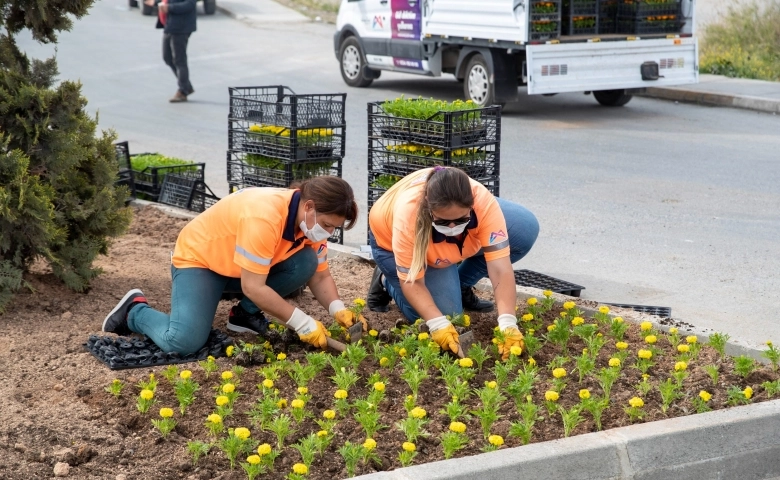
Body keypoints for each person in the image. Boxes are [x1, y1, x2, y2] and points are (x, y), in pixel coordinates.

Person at [102, 177, 366, 355]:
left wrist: (338, 310)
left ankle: (244, 316)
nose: (329, 232)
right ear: (309, 207)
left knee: (305, 262)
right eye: (328, 225)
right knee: (183, 342)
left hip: (241, 269)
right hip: (202, 263)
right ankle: (134, 311)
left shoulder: (308, 225)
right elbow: (253, 286)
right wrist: (302, 323)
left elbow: (319, 277)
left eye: (334, 227)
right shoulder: (265, 216)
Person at [367, 166, 539, 359]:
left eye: (461, 220)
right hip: (390, 242)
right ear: (428, 207)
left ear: (471, 205)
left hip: (444, 241)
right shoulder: (408, 216)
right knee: (447, 316)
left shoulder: (482, 202)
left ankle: (460, 285)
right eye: (443, 222)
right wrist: (438, 324)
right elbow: (413, 282)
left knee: (523, 230)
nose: (452, 227)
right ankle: (386, 280)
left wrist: (508, 323)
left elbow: (500, 267)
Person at [145, 0, 196, 102]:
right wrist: (155, 2)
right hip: (170, 25)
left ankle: (182, 91)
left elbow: (190, 4)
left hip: (181, 27)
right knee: (167, 57)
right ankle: (186, 86)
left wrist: (169, 7)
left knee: (179, 60)